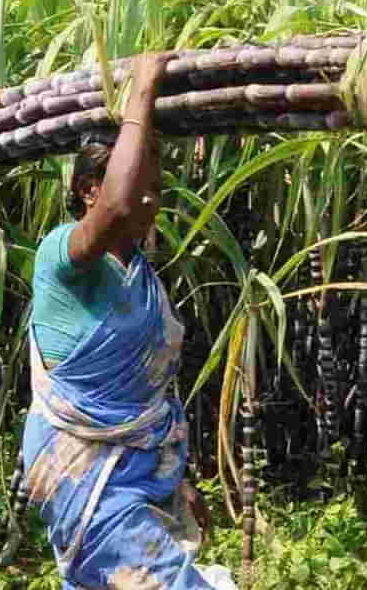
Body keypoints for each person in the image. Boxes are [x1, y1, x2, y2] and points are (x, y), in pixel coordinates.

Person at [21, 52, 235, 590]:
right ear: (89, 189)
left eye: (156, 188)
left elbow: (149, 396)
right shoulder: (59, 257)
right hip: (82, 474)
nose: (150, 199)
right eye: (138, 183)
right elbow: (115, 210)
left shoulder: (141, 278)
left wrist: (170, 481)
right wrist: (143, 90)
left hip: (132, 479)